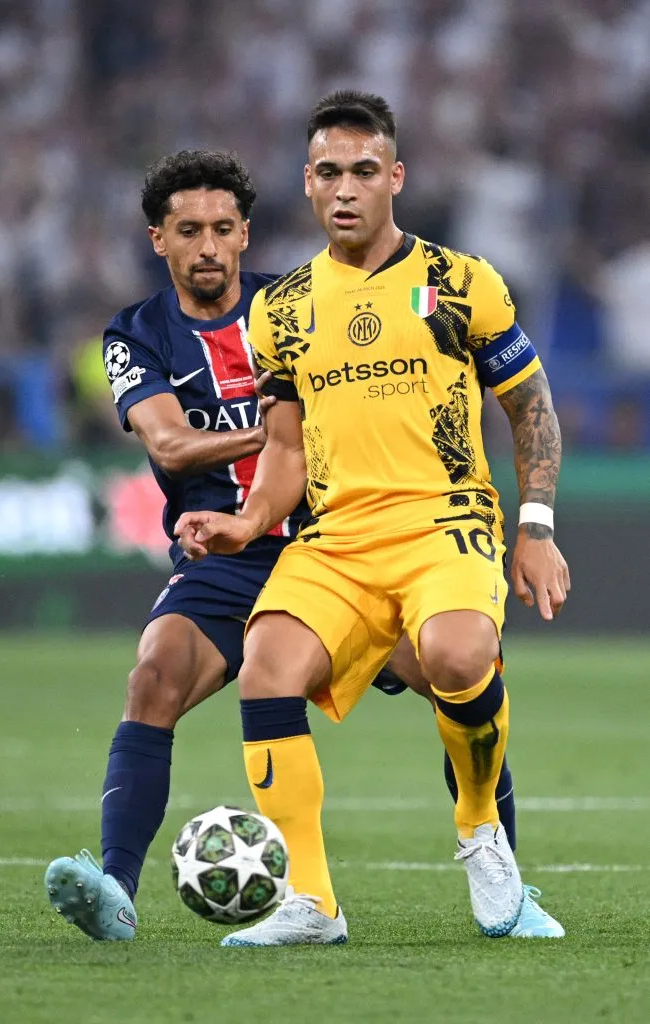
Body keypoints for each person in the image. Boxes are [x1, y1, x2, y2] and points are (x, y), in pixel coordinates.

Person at [44, 148, 561, 943]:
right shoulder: (134, 335)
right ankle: (115, 886)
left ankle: (503, 874)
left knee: (457, 671)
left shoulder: (294, 304)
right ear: (160, 241)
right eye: (190, 231)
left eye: (223, 229)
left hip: (331, 537)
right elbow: (173, 448)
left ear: (246, 234)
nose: (209, 246)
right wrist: (296, 425)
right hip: (230, 550)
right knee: (152, 676)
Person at [175, 91, 570, 947]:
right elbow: (284, 449)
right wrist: (247, 523)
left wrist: (532, 526)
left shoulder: (461, 283)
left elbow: (530, 406)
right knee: (265, 667)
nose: (344, 188)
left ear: (394, 177)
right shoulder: (277, 311)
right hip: (339, 536)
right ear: (306, 186)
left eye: (362, 171)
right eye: (327, 173)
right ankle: (310, 903)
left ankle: (481, 838)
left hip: (443, 520)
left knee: (460, 653)